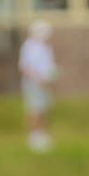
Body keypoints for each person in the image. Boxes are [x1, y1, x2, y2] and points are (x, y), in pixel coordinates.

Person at [19, 20, 58, 152]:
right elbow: (24, 67)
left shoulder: (46, 47)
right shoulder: (29, 47)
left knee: (44, 109)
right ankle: (34, 137)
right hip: (34, 83)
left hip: (45, 83)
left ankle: (42, 135)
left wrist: (50, 76)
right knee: (35, 109)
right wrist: (38, 79)